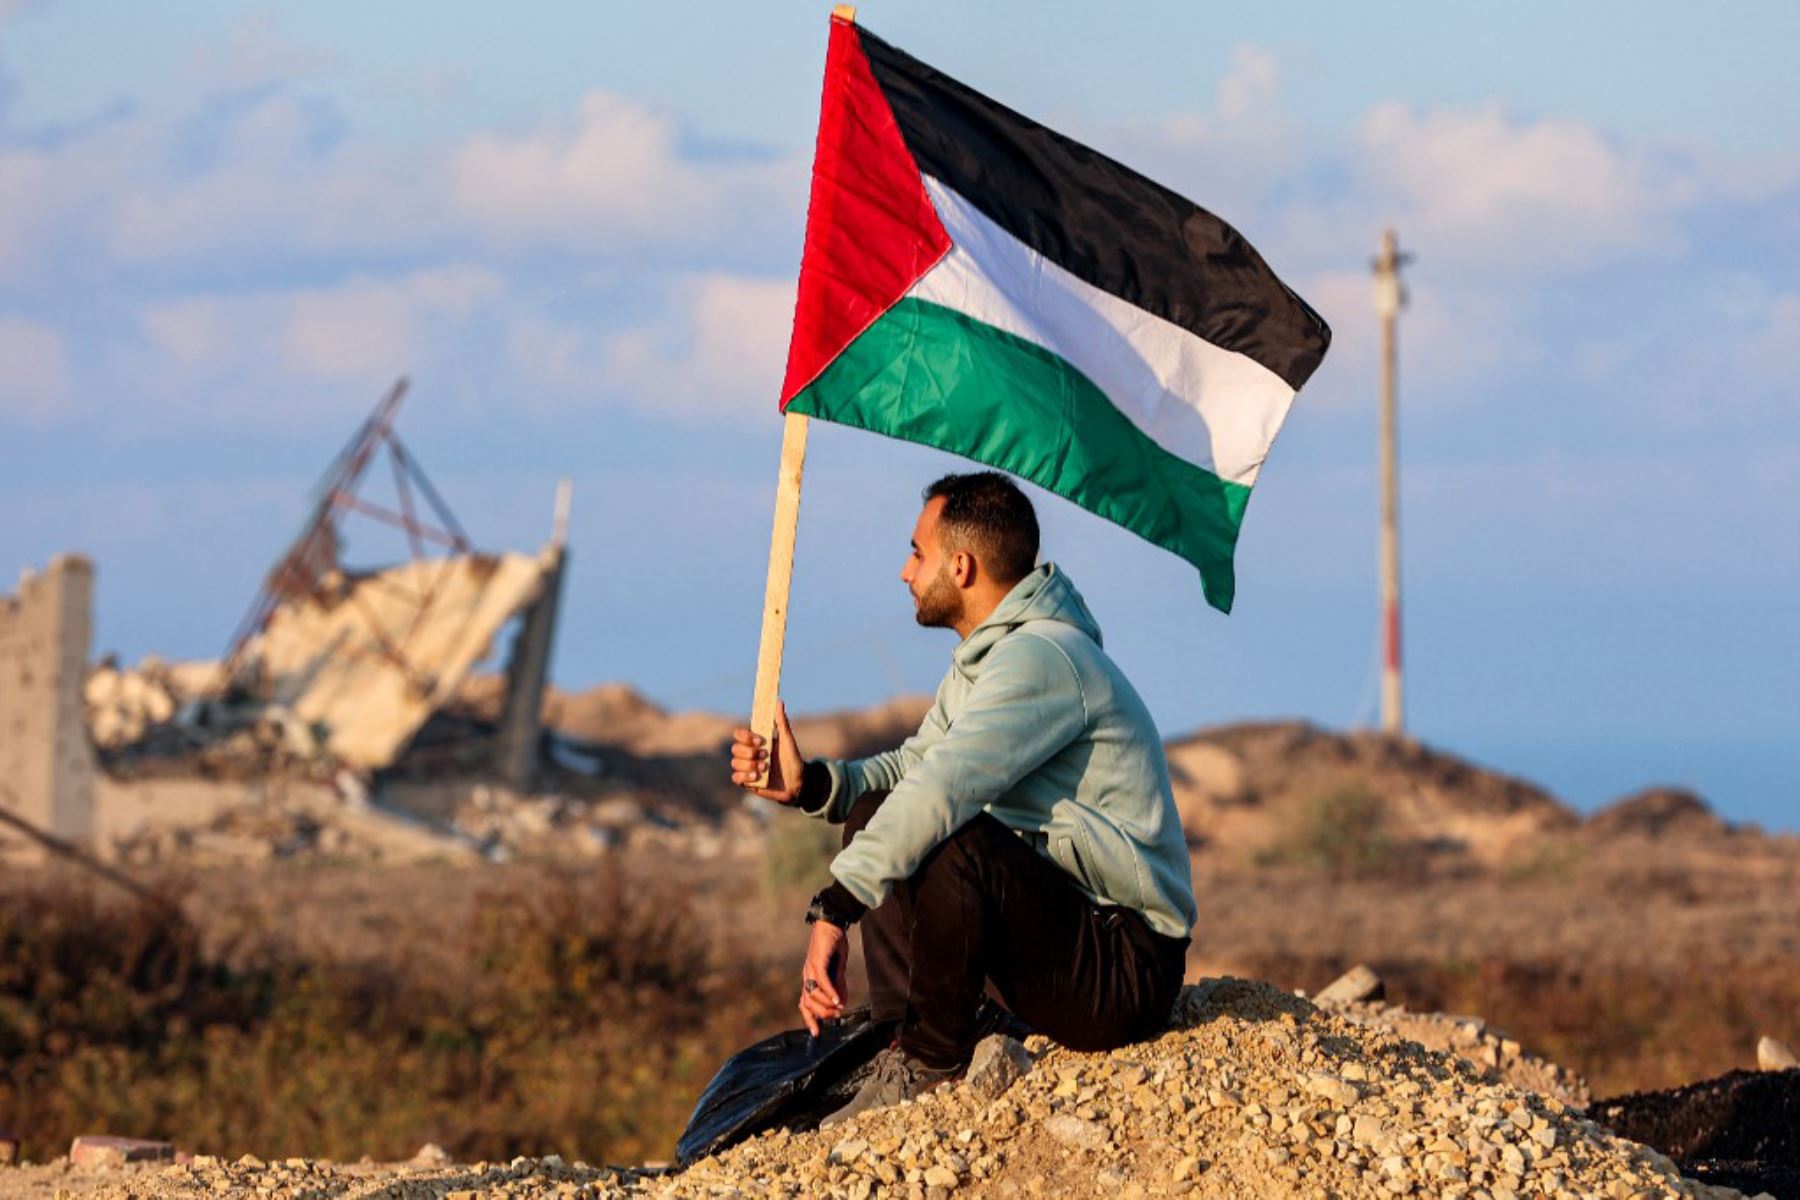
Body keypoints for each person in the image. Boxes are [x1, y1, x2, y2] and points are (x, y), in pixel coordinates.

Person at [729, 471, 1195, 1126]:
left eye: (916, 553)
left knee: (957, 839)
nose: (903, 572)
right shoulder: (989, 658)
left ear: (961, 564)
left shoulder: (1044, 658)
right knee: (876, 814)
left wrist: (835, 909)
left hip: (1121, 966)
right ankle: (903, 1039)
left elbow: (945, 787)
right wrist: (809, 784)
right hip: (1064, 941)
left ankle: (931, 1062)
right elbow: (913, 768)